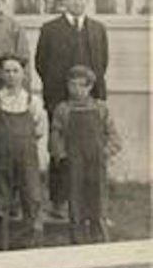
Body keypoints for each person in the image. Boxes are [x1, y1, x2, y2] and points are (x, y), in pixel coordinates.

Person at [35, 0, 109, 221]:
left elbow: (102, 63)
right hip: (60, 100)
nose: (77, 2)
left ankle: (88, 203)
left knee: (90, 151)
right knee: (60, 150)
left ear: (86, 1)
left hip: (90, 101)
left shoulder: (98, 29)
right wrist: (56, 92)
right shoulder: (50, 29)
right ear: (64, 1)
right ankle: (58, 202)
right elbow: (40, 63)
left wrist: (90, 92)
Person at [49, 65, 122, 244]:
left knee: (98, 204)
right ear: (67, 86)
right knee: (76, 202)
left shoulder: (101, 108)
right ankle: (78, 243)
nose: (77, 90)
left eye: (82, 85)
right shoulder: (63, 109)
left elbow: (114, 137)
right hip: (74, 164)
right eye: (72, 85)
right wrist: (61, 156)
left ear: (90, 87)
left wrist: (105, 152)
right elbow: (55, 136)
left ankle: (100, 244)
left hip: (96, 164)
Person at [0, 55, 47, 249]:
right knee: (0, 200)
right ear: (1, 74)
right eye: (7, 71)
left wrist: (40, 158)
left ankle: (30, 245)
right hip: (1, 157)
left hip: (27, 157)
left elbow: (39, 130)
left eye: (15, 71)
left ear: (23, 73)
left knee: (32, 198)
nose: (11, 75)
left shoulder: (32, 100)